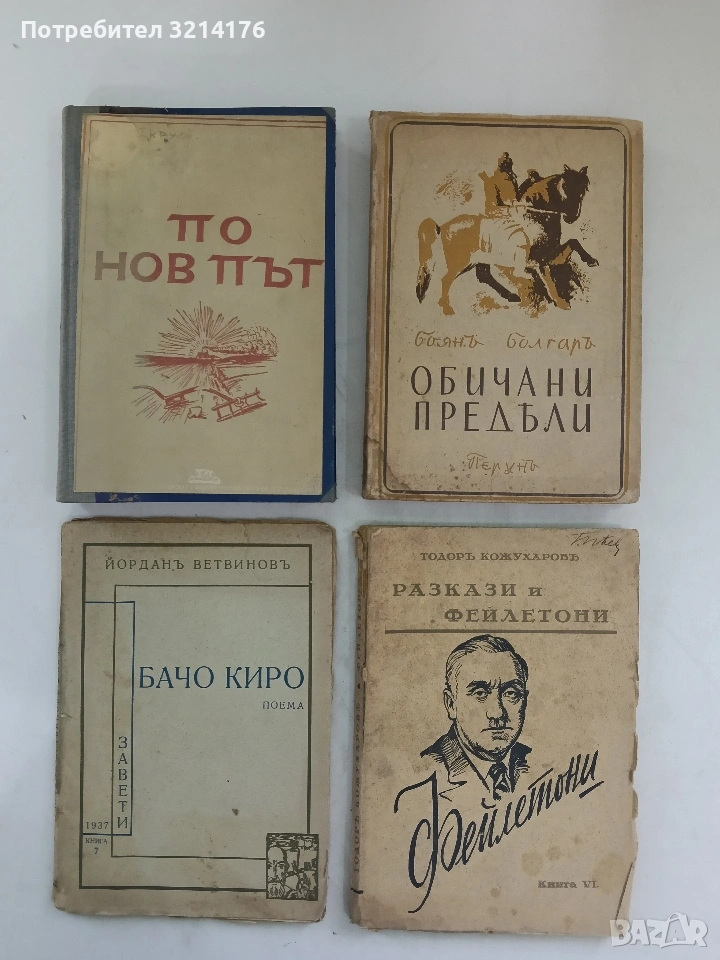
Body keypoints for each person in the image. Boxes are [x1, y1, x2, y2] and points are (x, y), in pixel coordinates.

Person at [421, 635, 531, 801]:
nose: (497, 713)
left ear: (525, 700)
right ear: (451, 704)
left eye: (511, 693)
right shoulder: (424, 773)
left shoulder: (536, 762)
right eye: (480, 693)